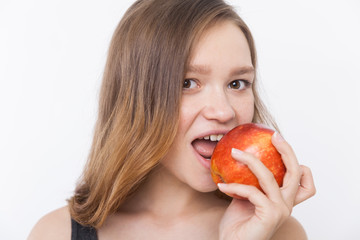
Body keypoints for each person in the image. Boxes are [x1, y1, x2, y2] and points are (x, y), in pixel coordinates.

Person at [28, 0, 316, 239]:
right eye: (188, 83)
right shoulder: (55, 233)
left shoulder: (279, 233)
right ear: (135, 97)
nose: (224, 111)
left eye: (237, 83)